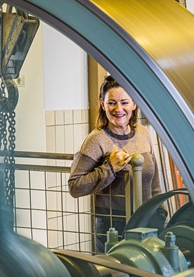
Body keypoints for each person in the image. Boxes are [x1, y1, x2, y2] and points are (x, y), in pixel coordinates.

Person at [69, 75, 161, 252]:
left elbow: (154, 179)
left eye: (124, 102)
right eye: (112, 103)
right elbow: (75, 186)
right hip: (113, 227)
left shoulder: (143, 134)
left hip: (148, 221)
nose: (118, 109)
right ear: (102, 104)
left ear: (134, 104)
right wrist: (108, 168)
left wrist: (160, 211)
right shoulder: (96, 140)